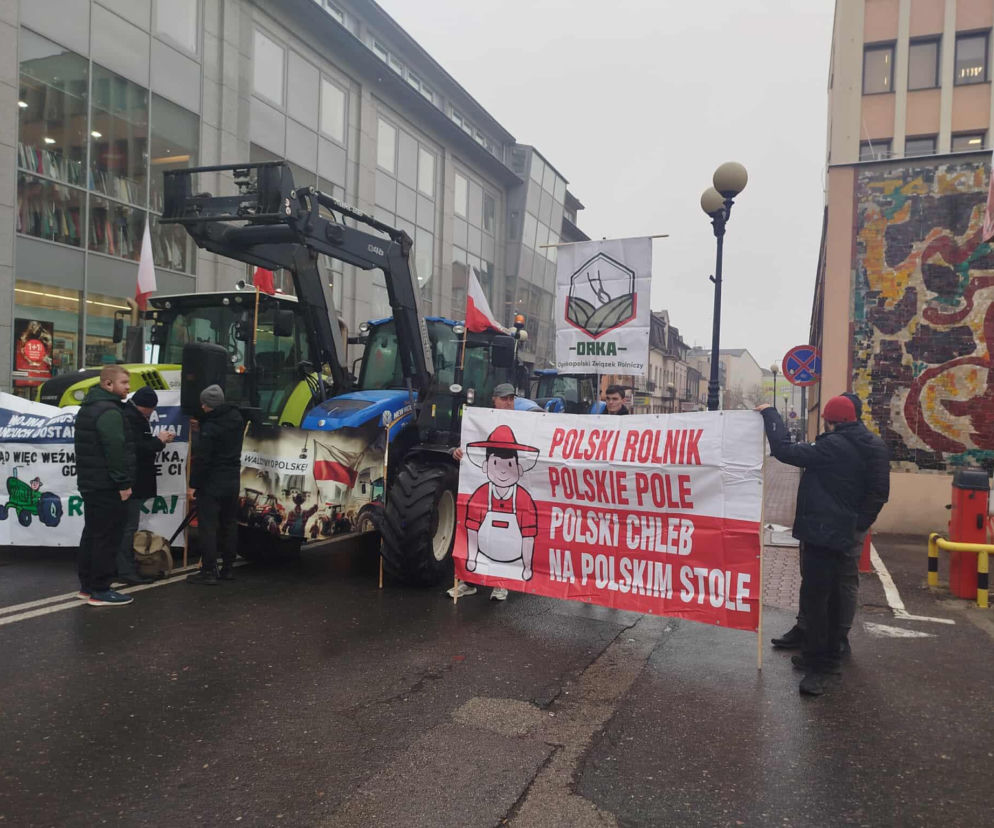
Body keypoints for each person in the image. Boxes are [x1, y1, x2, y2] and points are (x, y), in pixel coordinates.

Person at [757, 396, 867, 696]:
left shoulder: (833, 447)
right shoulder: (857, 444)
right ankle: (816, 657)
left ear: (829, 420)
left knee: (820, 601)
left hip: (826, 533)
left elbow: (783, 450)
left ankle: (824, 667)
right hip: (833, 531)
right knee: (822, 598)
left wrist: (771, 414)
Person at [771, 392, 890, 655]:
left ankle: (835, 640)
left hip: (844, 526)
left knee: (841, 582)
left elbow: (878, 491)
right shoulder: (869, 444)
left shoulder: (846, 445)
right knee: (817, 579)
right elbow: (880, 491)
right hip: (831, 525)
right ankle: (810, 632)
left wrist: (859, 524)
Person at [449, 385, 542, 600]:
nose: (508, 403)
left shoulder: (527, 424)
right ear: (494, 400)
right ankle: (467, 580)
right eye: (504, 398)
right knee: (472, 528)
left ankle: (501, 584)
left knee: (507, 541)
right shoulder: (480, 420)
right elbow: (466, 445)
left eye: (511, 399)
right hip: (483, 490)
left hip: (515, 493)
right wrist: (455, 451)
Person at [75, 365, 136, 607]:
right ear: (108, 384)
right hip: (108, 485)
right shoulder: (109, 412)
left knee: (92, 534)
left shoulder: (89, 407)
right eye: (124, 383)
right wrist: (123, 483)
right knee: (108, 537)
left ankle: (87, 586)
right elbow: (115, 450)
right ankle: (101, 589)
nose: (128, 388)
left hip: (92, 484)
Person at [117, 386, 176, 585]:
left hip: (130, 481)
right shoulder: (132, 419)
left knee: (126, 526)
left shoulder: (129, 415)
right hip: (132, 482)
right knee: (128, 527)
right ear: (146, 407)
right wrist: (159, 441)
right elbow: (139, 449)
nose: (152, 413)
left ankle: (123, 566)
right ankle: (125, 569)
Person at [187, 385, 245, 585]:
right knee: (229, 523)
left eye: (203, 404)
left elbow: (203, 459)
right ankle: (228, 568)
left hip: (213, 481)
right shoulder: (236, 419)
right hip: (232, 478)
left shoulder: (210, 428)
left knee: (209, 526)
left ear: (207, 405)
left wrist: (194, 485)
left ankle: (209, 570)